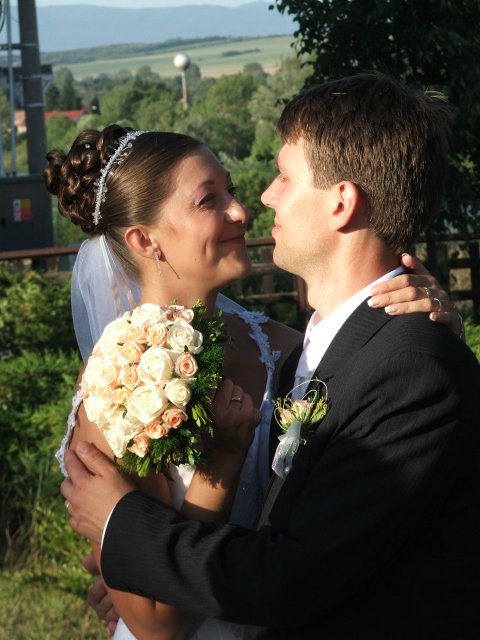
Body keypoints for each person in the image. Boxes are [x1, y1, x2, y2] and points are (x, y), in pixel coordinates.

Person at [58, 74, 476, 638]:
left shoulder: (377, 362)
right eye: (210, 198)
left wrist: (121, 530)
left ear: (341, 203)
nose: (256, 201)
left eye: (283, 177)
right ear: (144, 240)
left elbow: (291, 571)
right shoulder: (136, 377)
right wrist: (127, 563)